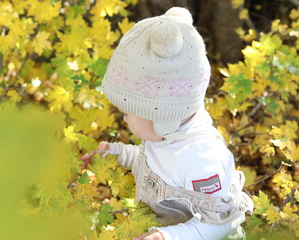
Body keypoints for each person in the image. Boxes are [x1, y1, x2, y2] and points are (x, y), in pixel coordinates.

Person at [81, 7, 253, 240]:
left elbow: (222, 225)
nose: (124, 119)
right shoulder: (166, 136)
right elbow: (154, 167)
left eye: (128, 113)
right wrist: (118, 154)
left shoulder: (202, 160)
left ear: (163, 116)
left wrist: (169, 236)